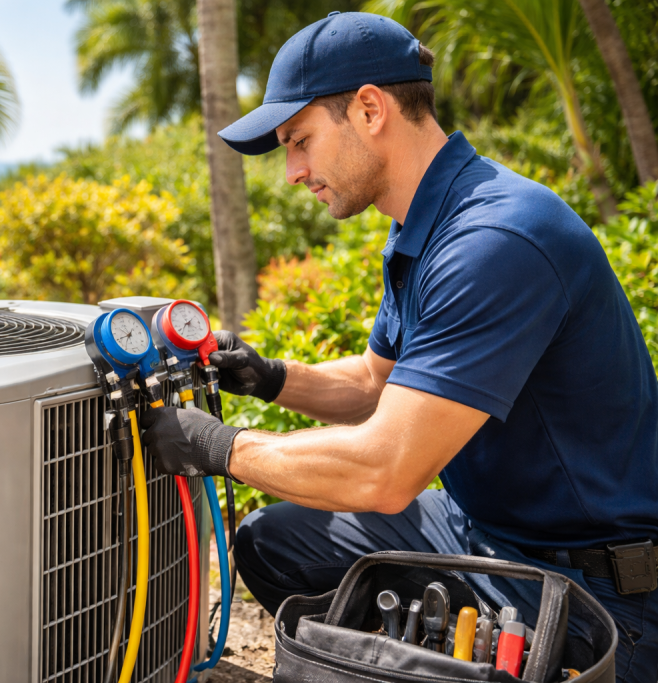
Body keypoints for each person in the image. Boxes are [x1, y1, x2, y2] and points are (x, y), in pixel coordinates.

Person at [139, 11, 658, 682]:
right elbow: (374, 383)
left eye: (299, 141)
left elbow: (385, 470)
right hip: (480, 529)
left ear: (370, 108)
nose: (292, 171)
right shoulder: (426, 224)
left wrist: (220, 446)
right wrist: (268, 377)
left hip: (598, 588)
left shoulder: (495, 240)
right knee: (274, 544)